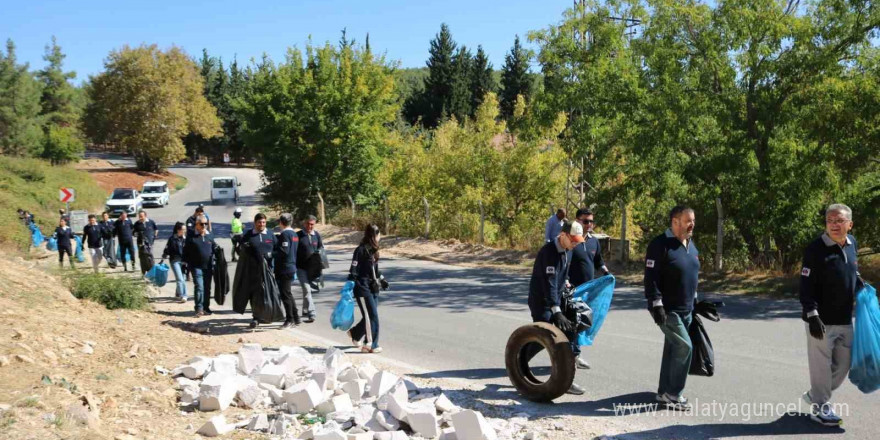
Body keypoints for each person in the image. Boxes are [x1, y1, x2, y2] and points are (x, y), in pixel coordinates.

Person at [799, 203, 866, 427]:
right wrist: (812, 314)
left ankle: (816, 394)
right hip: (820, 320)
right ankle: (820, 407)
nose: (834, 225)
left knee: (843, 365)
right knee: (821, 366)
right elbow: (805, 284)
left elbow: (851, 271)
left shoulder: (852, 244)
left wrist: (861, 286)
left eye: (839, 221)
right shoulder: (815, 249)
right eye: (830, 221)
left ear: (850, 224)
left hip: (846, 318)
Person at [644, 205, 699, 410]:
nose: (692, 224)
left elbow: (691, 274)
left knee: (673, 348)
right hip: (667, 309)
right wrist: (656, 303)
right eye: (688, 220)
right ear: (675, 221)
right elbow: (651, 278)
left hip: (687, 309)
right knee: (685, 347)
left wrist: (695, 300)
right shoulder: (660, 245)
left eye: (693, 220)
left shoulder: (690, 245)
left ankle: (663, 392)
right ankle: (674, 393)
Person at [528, 220, 586, 395]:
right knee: (546, 337)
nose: (575, 243)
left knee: (566, 337)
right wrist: (556, 310)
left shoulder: (566, 250)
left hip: (556, 300)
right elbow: (550, 284)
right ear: (563, 235)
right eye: (573, 239)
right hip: (542, 303)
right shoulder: (549, 253)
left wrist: (567, 283)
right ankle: (517, 362)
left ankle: (566, 381)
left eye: (578, 240)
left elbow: (562, 275)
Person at [566, 208, 611, 370]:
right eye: (586, 221)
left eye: (591, 221)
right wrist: (566, 281)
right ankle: (568, 356)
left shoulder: (594, 241)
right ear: (577, 221)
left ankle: (575, 355)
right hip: (573, 291)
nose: (589, 224)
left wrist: (606, 273)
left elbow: (599, 261)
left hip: (589, 290)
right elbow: (564, 263)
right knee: (572, 324)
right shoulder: (571, 240)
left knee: (582, 324)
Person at [348, 224, 389, 353]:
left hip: (373, 287)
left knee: (370, 315)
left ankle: (355, 334)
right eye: (379, 234)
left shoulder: (373, 250)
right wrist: (349, 287)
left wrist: (382, 279)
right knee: (372, 317)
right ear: (374, 235)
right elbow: (353, 270)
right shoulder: (360, 250)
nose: (380, 237)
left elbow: (374, 270)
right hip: (362, 288)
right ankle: (370, 344)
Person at [242, 213, 277, 328]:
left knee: (267, 293)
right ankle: (256, 317)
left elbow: (278, 249)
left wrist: (271, 254)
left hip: (268, 270)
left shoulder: (270, 234)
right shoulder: (248, 235)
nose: (261, 224)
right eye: (259, 222)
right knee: (255, 294)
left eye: (263, 222)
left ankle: (267, 315)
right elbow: (241, 250)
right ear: (255, 223)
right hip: (253, 270)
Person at [184, 215, 215, 316]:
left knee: (207, 288)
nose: (204, 226)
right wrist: (185, 265)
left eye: (206, 224)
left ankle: (206, 307)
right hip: (196, 266)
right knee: (199, 287)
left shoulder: (209, 236)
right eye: (201, 224)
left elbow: (214, 248)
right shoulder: (191, 237)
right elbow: (185, 252)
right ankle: (199, 308)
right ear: (196, 224)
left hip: (208, 267)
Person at [274, 213, 301, 328]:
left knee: (285, 295)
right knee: (288, 294)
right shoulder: (294, 234)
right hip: (291, 267)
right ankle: (296, 317)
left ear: (281, 222)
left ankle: (289, 320)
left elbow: (284, 251)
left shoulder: (285, 234)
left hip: (284, 268)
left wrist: (271, 253)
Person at [296, 215, 324, 323]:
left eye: (312, 224)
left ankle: (304, 310)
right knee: (307, 290)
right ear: (304, 223)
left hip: (313, 269)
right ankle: (312, 313)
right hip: (301, 268)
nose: (310, 226)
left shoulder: (316, 235)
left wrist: (321, 266)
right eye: (308, 223)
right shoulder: (298, 235)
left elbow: (321, 250)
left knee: (308, 291)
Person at [162, 222, 188, 304]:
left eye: (185, 229)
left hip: (184, 261)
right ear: (178, 230)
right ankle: (183, 295)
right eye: (183, 229)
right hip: (175, 261)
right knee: (180, 279)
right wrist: (164, 255)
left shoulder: (186, 239)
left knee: (183, 278)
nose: (184, 231)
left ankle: (177, 293)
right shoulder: (172, 239)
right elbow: (167, 249)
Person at [134, 210, 158, 275]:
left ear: (145, 216)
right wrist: (136, 234)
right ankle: (143, 272)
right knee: (142, 257)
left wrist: (154, 236)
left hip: (149, 243)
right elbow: (133, 232)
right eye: (139, 216)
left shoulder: (151, 222)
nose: (140, 218)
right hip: (140, 244)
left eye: (141, 216)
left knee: (150, 257)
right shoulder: (137, 224)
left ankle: (152, 271)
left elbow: (156, 229)